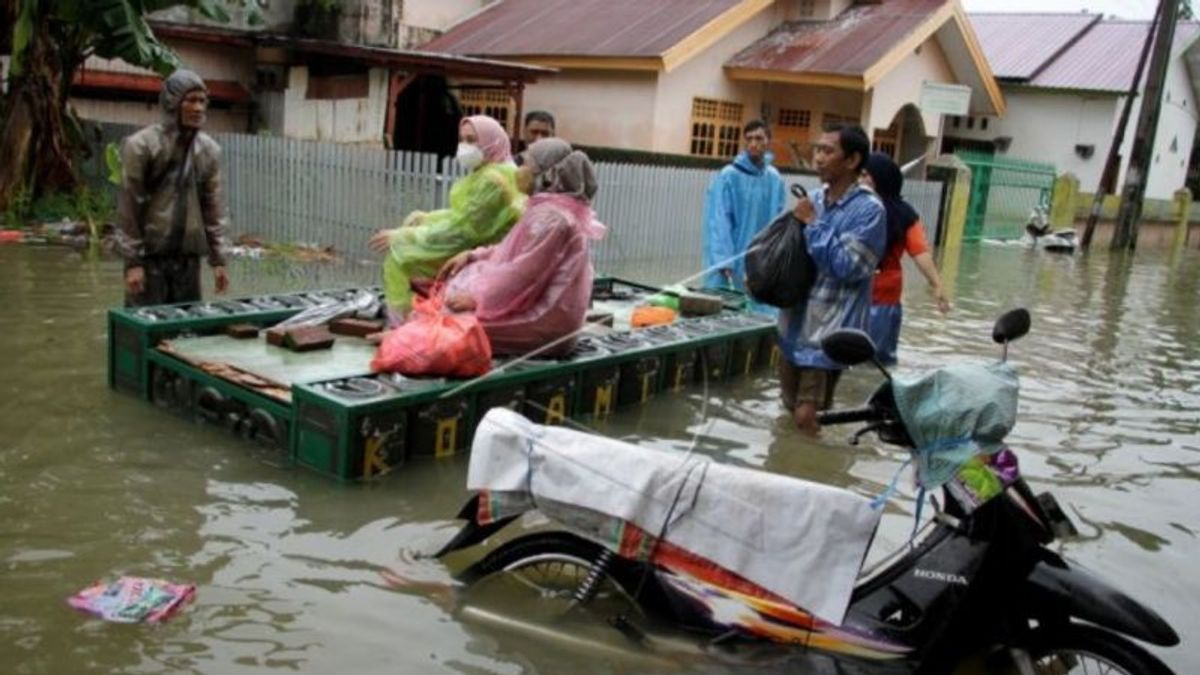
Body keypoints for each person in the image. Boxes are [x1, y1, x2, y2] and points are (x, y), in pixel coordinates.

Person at [437, 138, 606, 356]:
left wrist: (477, 299)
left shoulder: (552, 219)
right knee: (460, 284)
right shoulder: (548, 209)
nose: (518, 169)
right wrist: (472, 255)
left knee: (450, 322)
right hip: (545, 312)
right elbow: (512, 251)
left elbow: (522, 274)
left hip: (545, 323)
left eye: (525, 163)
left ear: (546, 173)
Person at [779, 124, 886, 436]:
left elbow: (848, 266)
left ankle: (814, 475)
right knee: (789, 409)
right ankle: (792, 466)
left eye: (828, 151)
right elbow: (790, 252)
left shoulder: (869, 211)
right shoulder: (813, 199)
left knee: (806, 415)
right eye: (818, 149)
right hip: (793, 323)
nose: (818, 158)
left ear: (852, 161)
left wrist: (812, 225)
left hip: (828, 332)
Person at [369, 115, 524, 322]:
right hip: (484, 247)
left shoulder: (492, 181)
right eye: (462, 139)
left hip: (484, 253)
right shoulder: (495, 170)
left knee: (401, 258)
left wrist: (405, 236)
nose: (464, 146)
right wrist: (428, 218)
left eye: (471, 140)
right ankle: (419, 317)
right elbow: (464, 215)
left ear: (491, 142)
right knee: (410, 241)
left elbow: (461, 232)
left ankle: (403, 326)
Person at [115, 69, 229, 306]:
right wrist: (133, 263)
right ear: (172, 103)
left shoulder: (209, 151)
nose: (198, 108)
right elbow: (129, 208)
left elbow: (212, 208)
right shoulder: (142, 146)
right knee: (145, 331)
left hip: (188, 261)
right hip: (150, 258)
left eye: (202, 101)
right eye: (191, 100)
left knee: (186, 333)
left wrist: (218, 261)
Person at [861, 153, 951, 365]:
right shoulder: (904, 213)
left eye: (865, 175)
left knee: (873, 358)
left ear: (880, 179)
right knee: (877, 358)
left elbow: (920, 252)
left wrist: (937, 285)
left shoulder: (899, 213)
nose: (860, 180)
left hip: (880, 292)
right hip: (869, 291)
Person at [702, 120, 787, 291]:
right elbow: (719, 220)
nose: (753, 144)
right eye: (749, 139)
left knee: (759, 309)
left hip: (761, 257)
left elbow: (777, 219)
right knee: (728, 304)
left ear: (768, 141)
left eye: (759, 138)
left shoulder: (774, 178)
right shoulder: (729, 175)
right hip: (732, 257)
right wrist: (724, 259)